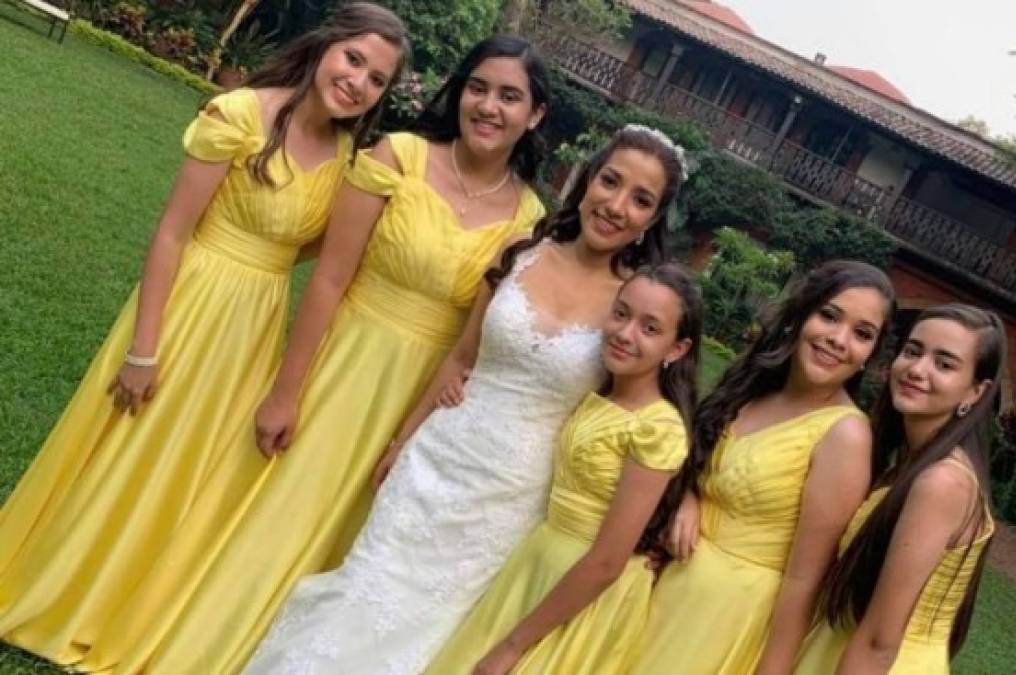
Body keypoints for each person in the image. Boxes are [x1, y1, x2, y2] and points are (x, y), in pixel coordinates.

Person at [76, 35, 551, 675]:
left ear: (536, 115)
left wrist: (420, 432)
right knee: (268, 512)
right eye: (478, 88)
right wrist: (286, 389)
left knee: (346, 537)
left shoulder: (531, 216)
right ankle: (195, 645)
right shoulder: (397, 156)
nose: (489, 107)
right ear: (459, 93)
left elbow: (478, 341)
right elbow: (328, 278)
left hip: (414, 399)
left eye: (509, 96)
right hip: (341, 363)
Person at [0, 4, 406, 669]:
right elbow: (171, 231)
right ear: (325, 48)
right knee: (134, 445)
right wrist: (143, 346)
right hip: (189, 304)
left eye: (377, 79)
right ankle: (63, 587)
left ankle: (126, 603)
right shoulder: (244, 113)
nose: (358, 82)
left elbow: (312, 252)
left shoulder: (346, 162)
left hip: (254, 325)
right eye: (353, 59)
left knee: (186, 469)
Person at [245, 124, 689, 675]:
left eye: (640, 199)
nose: (617, 205)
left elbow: (652, 412)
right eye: (610, 181)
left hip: (512, 497)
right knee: (366, 587)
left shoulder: (635, 307)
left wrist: (684, 497)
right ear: (587, 181)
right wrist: (402, 440)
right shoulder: (524, 249)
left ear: (653, 219)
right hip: (439, 454)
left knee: (430, 632)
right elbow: (460, 357)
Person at [427, 263, 700, 675]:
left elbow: (608, 561)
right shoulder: (602, 394)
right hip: (537, 562)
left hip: (578, 585)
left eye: (650, 328)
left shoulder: (656, 428)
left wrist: (512, 646)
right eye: (622, 313)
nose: (626, 334)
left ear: (676, 350)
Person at [633, 260, 896, 675]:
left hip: (726, 623)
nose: (838, 340)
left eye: (862, 334)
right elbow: (690, 457)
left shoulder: (845, 436)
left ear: (869, 356)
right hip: (662, 592)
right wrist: (687, 497)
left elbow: (805, 582)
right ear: (801, 316)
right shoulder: (754, 389)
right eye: (829, 316)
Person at [794, 304, 1004, 675]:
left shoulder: (942, 482)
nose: (917, 370)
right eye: (913, 351)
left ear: (975, 391)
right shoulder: (911, 464)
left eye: (944, 364)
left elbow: (880, 642)